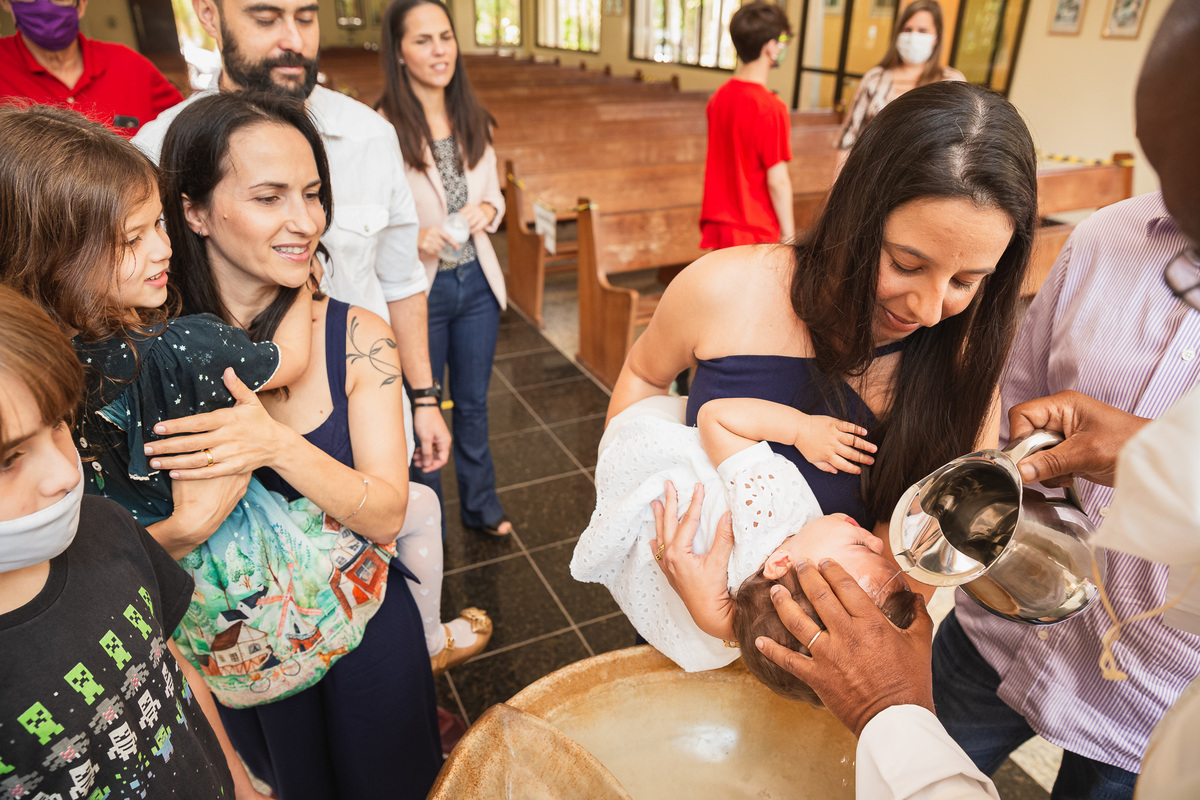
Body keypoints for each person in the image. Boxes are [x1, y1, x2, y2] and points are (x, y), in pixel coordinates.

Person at [610, 80, 1039, 607]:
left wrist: (724, 622)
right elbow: (645, 374)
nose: (928, 312)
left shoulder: (961, 374)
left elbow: (901, 590)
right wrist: (623, 497)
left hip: (815, 651)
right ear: (858, 214)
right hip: (664, 594)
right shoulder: (723, 287)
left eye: (964, 282)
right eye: (906, 264)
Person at [926, 3, 1200, 794]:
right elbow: (1017, 398)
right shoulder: (1108, 239)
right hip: (1002, 621)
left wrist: (1150, 457)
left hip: (1152, 693)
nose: (1174, 225)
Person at [153, 91, 455, 798]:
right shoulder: (151, 357)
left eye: (313, 194)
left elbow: (384, 514)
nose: (304, 221)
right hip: (238, 649)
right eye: (269, 197)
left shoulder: (356, 339)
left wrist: (274, 445)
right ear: (193, 210)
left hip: (365, 634)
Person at [131, 0, 453, 481]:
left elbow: (400, 281)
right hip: (211, 442)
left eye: (306, 18)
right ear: (209, 15)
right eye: (265, 19)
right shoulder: (157, 150)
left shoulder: (370, 135)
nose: (294, 41)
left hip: (364, 424)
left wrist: (425, 396)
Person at [0, 284, 272, 800]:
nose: (63, 473)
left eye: (58, 425)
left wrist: (241, 788)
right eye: (9, 459)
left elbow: (173, 670)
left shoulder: (105, 525)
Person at [573, 393, 920, 690]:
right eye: (879, 551)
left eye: (860, 547)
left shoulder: (770, 509)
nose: (876, 542)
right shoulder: (753, 615)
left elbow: (715, 417)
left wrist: (802, 429)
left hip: (643, 443)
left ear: (780, 562)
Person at [378, 0, 511, 538]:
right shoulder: (383, 128)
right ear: (400, 52)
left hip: (476, 280)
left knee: (474, 406)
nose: (439, 50)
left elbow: (495, 195)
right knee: (422, 409)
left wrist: (488, 210)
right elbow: (371, 221)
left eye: (445, 37)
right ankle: (425, 522)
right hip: (420, 288)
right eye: (423, 40)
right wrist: (416, 237)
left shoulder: (472, 117)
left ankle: (481, 507)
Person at [0, 0, 182, 136]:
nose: (45, 6)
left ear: (81, 4)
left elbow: (191, 132)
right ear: (6, 3)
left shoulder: (132, 67)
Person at [700, 0, 794, 248]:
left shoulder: (718, 98)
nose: (784, 48)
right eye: (782, 41)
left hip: (720, 226)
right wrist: (789, 235)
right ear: (770, 47)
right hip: (755, 230)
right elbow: (778, 181)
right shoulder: (772, 107)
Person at [835, 0, 965, 172]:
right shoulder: (875, 78)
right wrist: (837, 188)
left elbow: (961, 141)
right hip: (872, 176)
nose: (913, 36)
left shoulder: (951, 82)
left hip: (927, 180)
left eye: (922, 31)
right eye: (908, 29)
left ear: (936, 37)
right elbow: (848, 138)